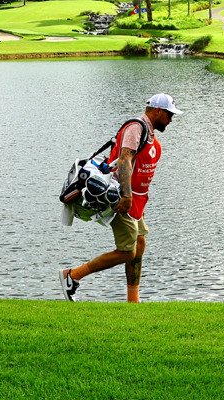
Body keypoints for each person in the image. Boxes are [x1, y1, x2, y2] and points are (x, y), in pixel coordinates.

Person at [59, 93, 183, 303]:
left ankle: (133, 301)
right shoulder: (136, 128)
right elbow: (125, 160)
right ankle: (72, 276)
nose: (171, 120)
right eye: (169, 115)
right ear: (157, 111)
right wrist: (126, 196)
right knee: (127, 252)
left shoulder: (149, 134)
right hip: (121, 197)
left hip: (136, 200)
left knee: (140, 243)